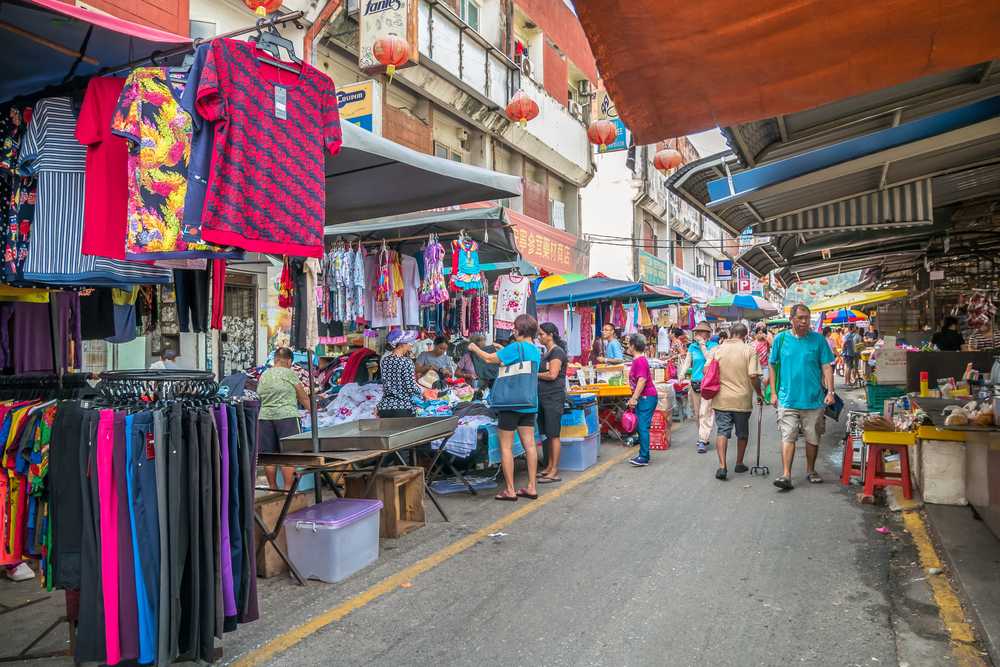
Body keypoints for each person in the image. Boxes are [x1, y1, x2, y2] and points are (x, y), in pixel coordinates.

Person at [468, 314, 540, 502]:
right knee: (530, 445)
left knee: (505, 447)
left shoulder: (516, 346)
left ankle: (510, 490)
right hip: (529, 403)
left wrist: (475, 348)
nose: (513, 331)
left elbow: (490, 359)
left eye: (515, 328)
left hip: (510, 404)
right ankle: (532, 486)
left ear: (520, 329)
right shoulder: (535, 350)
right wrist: (504, 349)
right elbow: (509, 359)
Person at [769, 304, 835, 490]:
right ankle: (786, 475)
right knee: (787, 435)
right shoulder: (780, 340)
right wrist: (774, 392)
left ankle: (810, 470)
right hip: (787, 398)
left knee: (812, 437)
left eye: (807, 317)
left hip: (813, 399)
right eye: (801, 318)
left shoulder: (818, 340)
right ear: (792, 319)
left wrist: (830, 391)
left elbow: (826, 366)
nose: (805, 321)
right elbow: (772, 365)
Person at [708, 323, 762, 480]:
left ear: (730, 333)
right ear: (745, 335)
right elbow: (753, 375)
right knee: (742, 433)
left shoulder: (717, 350)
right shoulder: (749, 350)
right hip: (742, 399)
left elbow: (707, 370)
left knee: (722, 431)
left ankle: (722, 466)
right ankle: (739, 463)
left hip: (721, 399)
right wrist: (759, 393)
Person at [257, 347, 312, 490]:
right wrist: (313, 411)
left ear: (275, 360)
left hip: (264, 418)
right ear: (288, 361)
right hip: (287, 418)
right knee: (289, 455)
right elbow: (302, 396)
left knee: (269, 456)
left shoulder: (264, 375)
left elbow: (259, 397)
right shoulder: (289, 374)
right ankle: (288, 490)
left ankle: (273, 488)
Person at [536, 323, 567, 483]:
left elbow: (552, 375)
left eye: (541, 334)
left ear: (550, 335)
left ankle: (554, 470)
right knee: (548, 434)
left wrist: (535, 374)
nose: (539, 337)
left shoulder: (557, 352)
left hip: (553, 397)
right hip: (544, 397)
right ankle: (549, 467)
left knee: (554, 435)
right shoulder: (547, 352)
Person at [626, 334, 659, 467]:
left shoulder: (639, 360)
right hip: (645, 397)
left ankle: (644, 456)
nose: (628, 346)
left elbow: (642, 380)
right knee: (642, 426)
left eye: (629, 344)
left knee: (642, 426)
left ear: (633, 346)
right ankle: (644, 454)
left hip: (646, 397)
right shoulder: (639, 360)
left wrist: (634, 398)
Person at [685, 322, 718, 453]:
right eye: (696, 332)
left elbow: (709, 360)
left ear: (707, 334)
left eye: (701, 332)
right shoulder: (692, 347)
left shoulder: (714, 346)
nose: (697, 334)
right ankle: (702, 435)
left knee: (706, 412)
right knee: (697, 413)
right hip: (694, 383)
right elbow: (688, 362)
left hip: (708, 384)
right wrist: (682, 374)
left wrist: (703, 345)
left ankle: (702, 440)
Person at [377, 329, 422, 418]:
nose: (411, 345)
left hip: (384, 408)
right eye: (409, 342)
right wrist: (422, 392)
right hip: (402, 408)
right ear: (402, 344)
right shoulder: (406, 362)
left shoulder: (385, 360)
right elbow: (410, 387)